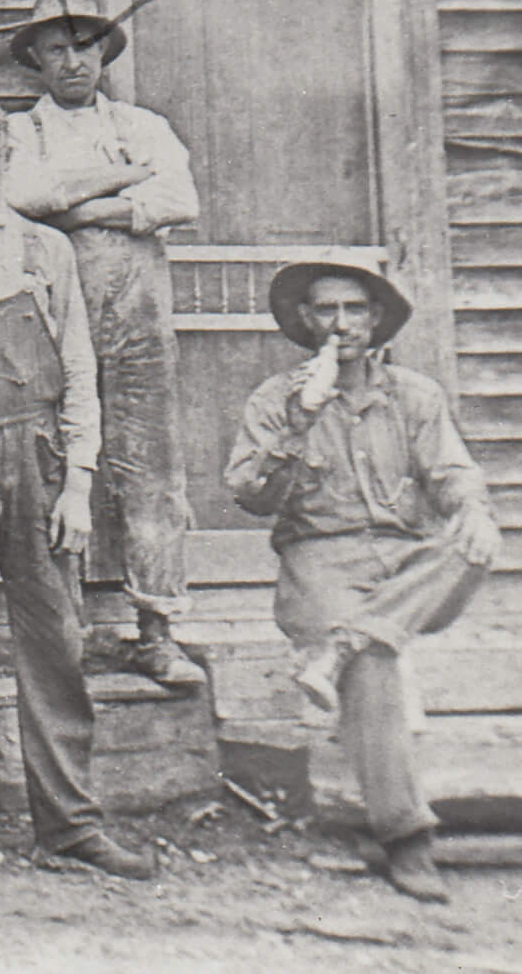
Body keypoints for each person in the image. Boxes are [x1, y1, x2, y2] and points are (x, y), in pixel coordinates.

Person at [225, 260, 499, 903]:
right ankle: (407, 839)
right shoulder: (275, 399)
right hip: (323, 563)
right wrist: (300, 418)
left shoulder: (413, 395)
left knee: (472, 544)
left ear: (376, 321)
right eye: (326, 310)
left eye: (354, 309)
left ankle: (342, 647)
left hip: (408, 565)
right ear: (304, 320)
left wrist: (475, 510)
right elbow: (249, 496)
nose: (341, 323)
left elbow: (452, 475)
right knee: (374, 662)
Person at [0, 97, 155, 880]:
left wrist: (78, 482)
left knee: (55, 639)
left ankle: (69, 824)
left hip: (40, 454)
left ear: (8, 161)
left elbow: (81, 369)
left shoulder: (43, 247)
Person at [3, 0, 206, 691]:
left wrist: (79, 206)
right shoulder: (20, 133)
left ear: (102, 53)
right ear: (34, 59)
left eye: (83, 46)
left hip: (140, 322)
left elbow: (179, 200)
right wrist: (125, 187)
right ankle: (69, 631)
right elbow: (26, 196)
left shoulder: (146, 125)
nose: (71, 61)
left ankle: (156, 629)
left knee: (151, 470)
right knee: (58, 469)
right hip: (57, 322)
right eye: (55, 49)